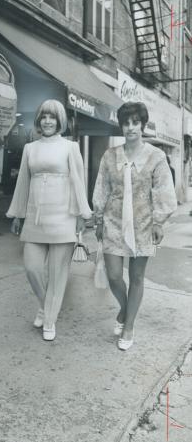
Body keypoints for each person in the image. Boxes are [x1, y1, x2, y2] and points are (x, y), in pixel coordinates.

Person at [92, 101, 177, 351]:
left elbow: (164, 191)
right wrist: (98, 218)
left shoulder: (156, 156)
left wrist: (159, 222)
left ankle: (128, 326)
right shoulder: (110, 156)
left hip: (143, 223)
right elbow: (102, 188)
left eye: (135, 122)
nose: (130, 128)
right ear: (121, 126)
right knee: (115, 275)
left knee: (137, 276)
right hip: (113, 222)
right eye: (126, 123)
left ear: (142, 125)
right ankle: (125, 309)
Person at [6, 99, 92, 341]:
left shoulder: (70, 147)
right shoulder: (29, 149)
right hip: (35, 218)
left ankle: (50, 320)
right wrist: (18, 215)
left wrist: (81, 216)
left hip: (63, 217)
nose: (47, 121)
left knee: (57, 275)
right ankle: (46, 306)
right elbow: (23, 182)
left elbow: (78, 183)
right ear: (38, 120)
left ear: (60, 121)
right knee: (32, 268)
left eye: (52, 117)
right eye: (43, 116)